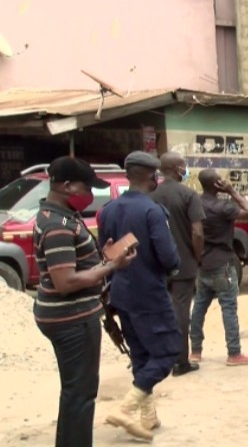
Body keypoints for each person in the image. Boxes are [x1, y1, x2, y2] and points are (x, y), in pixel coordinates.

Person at [33, 156, 136, 447]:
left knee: (75, 391)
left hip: (69, 315)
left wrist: (101, 258)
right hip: (71, 319)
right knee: (81, 393)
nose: (90, 194)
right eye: (86, 187)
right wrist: (112, 267)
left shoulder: (61, 215)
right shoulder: (57, 225)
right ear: (66, 186)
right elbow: (66, 282)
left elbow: (74, 265)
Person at [98, 151, 181, 441]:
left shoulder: (108, 210)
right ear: (152, 177)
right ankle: (126, 408)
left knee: (141, 355)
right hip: (150, 293)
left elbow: (105, 252)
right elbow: (169, 258)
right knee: (167, 352)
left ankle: (149, 417)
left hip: (120, 293)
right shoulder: (152, 211)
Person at [189, 168, 248, 366]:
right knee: (228, 308)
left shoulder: (195, 204)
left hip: (203, 263)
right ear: (217, 185)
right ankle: (234, 353)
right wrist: (232, 191)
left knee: (199, 307)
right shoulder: (223, 207)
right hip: (223, 264)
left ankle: (195, 350)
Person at [149, 151, 205, 377]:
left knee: (160, 309)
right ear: (176, 169)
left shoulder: (151, 196)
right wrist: (197, 256)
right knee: (181, 309)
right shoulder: (188, 195)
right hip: (183, 262)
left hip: (156, 264)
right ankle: (180, 361)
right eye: (184, 166)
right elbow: (198, 232)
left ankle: (159, 356)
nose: (186, 169)